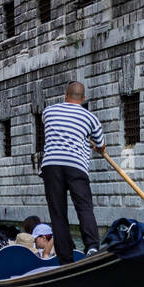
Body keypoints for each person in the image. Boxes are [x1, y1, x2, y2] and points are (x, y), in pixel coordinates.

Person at [41, 81, 105, 257]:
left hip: (51, 164)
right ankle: (92, 247)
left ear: (65, 96)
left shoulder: (48, 112)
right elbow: (100, 145)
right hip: (76, 165)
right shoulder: (90, 118)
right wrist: (96, 147)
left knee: (58, 213)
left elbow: (51, 128)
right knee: (84, 207)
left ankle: (65, 257)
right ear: (84, 99)